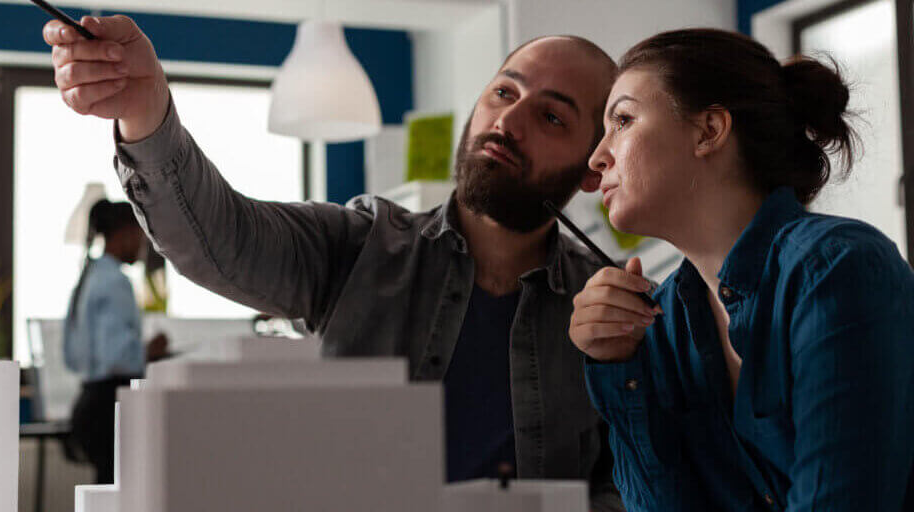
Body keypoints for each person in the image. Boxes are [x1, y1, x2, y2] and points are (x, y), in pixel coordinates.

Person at [43, 15, 625, 509]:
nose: (509, 122)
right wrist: (146, 111)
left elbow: (624, 485)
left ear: (592, 168)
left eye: (551, 117)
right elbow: (221, 237)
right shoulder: (363, 244)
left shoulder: (614, 318)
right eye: (504, 92)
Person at [569, 28, 914, 511]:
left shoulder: (836, 269)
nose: (596, 157)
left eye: (622, 120)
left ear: (709, 130)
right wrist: (616, 368)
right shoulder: (659, 323)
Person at [64, 199, 169, 484]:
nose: (143, 245)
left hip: (89, 401)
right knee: (120, 489)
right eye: (140, 235)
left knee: (107, 490)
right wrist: (148, 351)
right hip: (110, 406)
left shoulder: (89, 276)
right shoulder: (115, 282)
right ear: (124, 234)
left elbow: (72, 354)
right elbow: (116, 358)